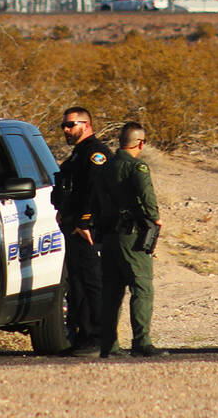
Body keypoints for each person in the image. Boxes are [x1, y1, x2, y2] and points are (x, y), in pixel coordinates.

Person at [90, 121, 167, 358]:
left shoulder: (105, 166)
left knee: (112, 292)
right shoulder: (137, 167)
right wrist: (155, 218)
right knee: (142, 287)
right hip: (132, 235)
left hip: (109, 235)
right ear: (140, 143)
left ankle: (108, 346)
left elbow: (95, 200)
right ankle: (141, 342)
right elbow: (147, 195)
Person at [52, 106, 112, 357]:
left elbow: (96, 190)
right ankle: (82, 336)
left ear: (86, 125)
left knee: (91, 282)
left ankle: (97, 337)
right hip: (73, 226)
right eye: (64, 125)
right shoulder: (79, 154)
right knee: (76, 282)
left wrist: (85, 221)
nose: (66, 129)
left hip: (86, 229)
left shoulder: (95, 153)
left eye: (71, 125)